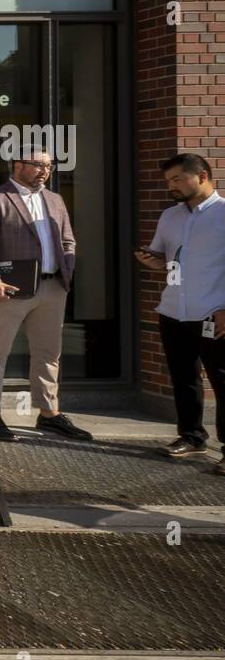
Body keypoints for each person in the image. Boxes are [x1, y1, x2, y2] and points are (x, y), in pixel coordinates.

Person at [0, 146, 92, 443]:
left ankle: (49, 413)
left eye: (49, 166)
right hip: (11, 288)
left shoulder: (55, 199)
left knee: (49, 353)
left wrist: (67, 268)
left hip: (52, 287)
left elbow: (68, 240)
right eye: (38, 165)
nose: (45, 171)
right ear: (17, 165)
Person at [135, 154, 225, 469]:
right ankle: (192, 437)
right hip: (174, 309)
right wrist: (153, 261)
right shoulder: (170, 217)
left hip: (213, 312)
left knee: (222, 379)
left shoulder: (223, 214)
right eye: (167, 181)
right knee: (183, 377)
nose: (170, 186)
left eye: (176, 179)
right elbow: (166, 259)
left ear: (201, 176)